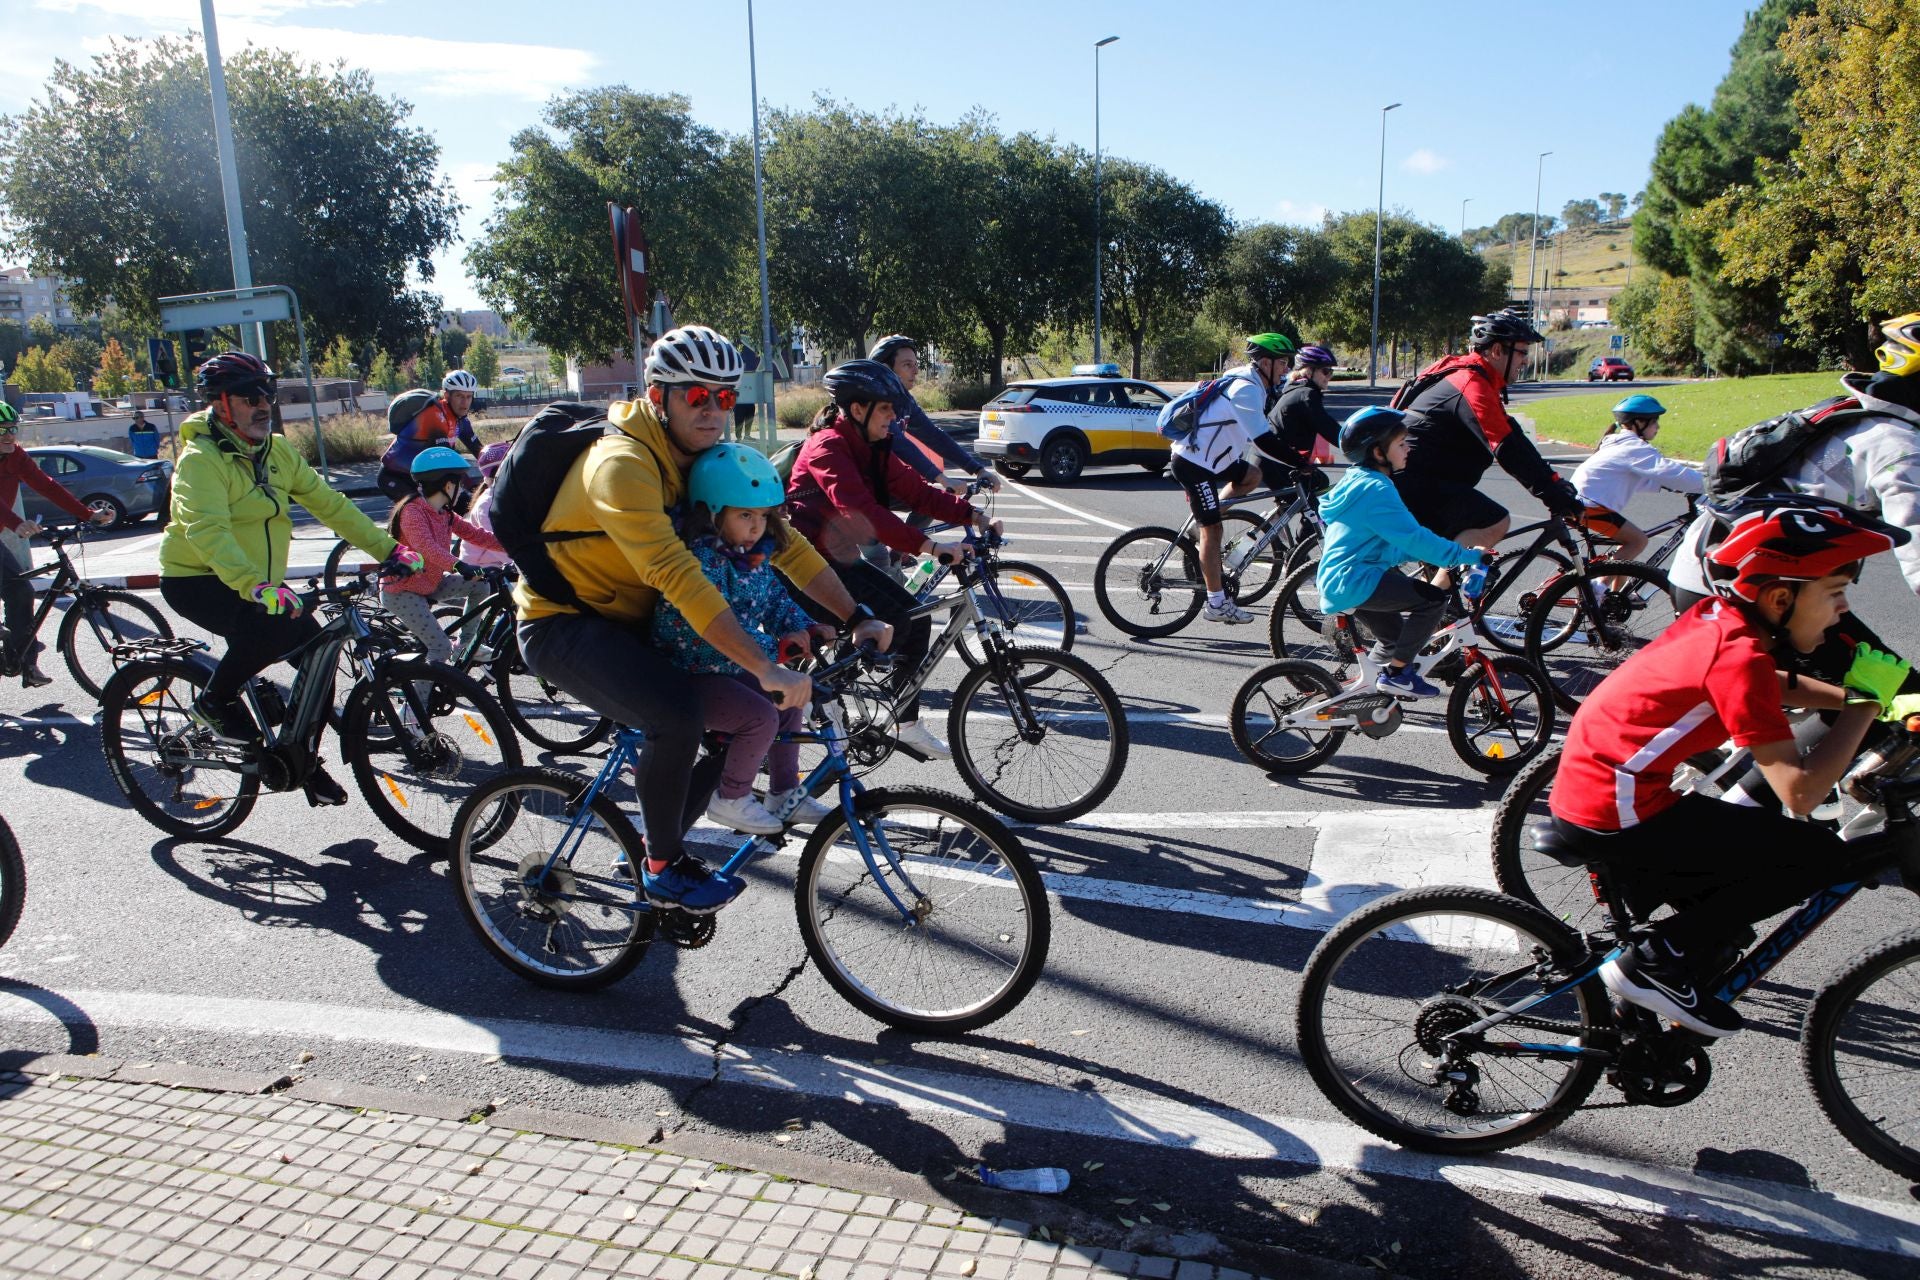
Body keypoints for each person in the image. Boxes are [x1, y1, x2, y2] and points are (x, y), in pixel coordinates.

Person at [512, 324, 892, 916]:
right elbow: (676, 574)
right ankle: (662, 867)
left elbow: (782, 541)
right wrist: (764, 663)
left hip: (642, 623)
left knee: (746, 721)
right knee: (676, 714)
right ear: (657, 393)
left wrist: (856, 614)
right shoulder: (622, 463)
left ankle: (641, 849)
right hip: (566, 623)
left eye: (724, 396)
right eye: (697, 396)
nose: (714, 411)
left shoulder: (697, 456)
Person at [1549, 497, 1914, 1038]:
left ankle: (1642, 1007)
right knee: (1817, 856)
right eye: (1835, 594)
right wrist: (1863, 706)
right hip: (1617, 806)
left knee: (1727, 915)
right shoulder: (1739, 655)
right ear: (1780, 597)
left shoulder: (1724, 624)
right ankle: (1655, 955)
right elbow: (1800, 795)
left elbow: (1771, 686)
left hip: (1605, 788)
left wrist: (1860, 696)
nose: (1842, 611)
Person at [158, 351, 422, 806]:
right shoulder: (200, 461)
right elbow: (208, 531)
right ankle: (214, 702)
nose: (264, 405)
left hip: (257, 583)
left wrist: (388, 549)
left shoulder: (276, 452)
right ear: (221, 405)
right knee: (265, 627)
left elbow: (330, 505)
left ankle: (301, 759)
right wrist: (254, 585)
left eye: (268, 395)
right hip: (198, 577)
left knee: (319, 662)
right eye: (249, 397)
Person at [1669, 313, 1920, 689]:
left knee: (1864, 698)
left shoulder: (1854, 417)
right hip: (1753, 597)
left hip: (1710, 574)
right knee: (1894, 696)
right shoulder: (1901, 447)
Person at [786, 359, 996, 761]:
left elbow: (917, 492)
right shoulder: (826, 447)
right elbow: (859, 510)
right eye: (885, 409)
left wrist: (973, 515)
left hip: (839, 560)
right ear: (857, 409)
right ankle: (830, 698)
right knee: (886, 618)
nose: (894, 419)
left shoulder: (873, 448)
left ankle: (903, 721)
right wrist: (930, 547)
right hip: (804, 567)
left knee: (913, 617)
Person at [652, 443, 838, 835]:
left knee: (790, 703)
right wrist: (774, 652)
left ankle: (784, 792)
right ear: (713, 514)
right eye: (745, 515)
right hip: (688, 674)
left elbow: (772, 601)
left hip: (726, 669)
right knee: (760, 716)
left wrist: (807, 625)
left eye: (763, 516)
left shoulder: (748, 556)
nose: (757, 526)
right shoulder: (702, 561)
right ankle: (731, 798)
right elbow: (712, 635)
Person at [1315, 407, 1490, 698]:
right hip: (1357, 580)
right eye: (1401, 444)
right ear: (1378, 452)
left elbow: (1388, 544)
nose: (1408, 448)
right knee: (1433, 601)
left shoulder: (1359, 481)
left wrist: (1415, 553)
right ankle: (1397, 675)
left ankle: (1364, 694)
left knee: (1395, 641)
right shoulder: (1376, 489)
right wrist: (1466, 556)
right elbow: (1414, 538)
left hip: (1349, 576)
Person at [1394, 309, 1585, 554]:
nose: (1525, 361)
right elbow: (1508, 448)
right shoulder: (1471, 386)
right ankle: (1437, 592)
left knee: (1459, 543)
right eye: (1522, 353)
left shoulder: (1472, 378)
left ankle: (1439, 581)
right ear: (1497, 351)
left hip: (1421, 480)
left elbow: (1514, 436)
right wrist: (1553, 495)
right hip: (1416, 483)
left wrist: (1552, 483)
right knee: (1495, 522)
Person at [1167, 333, 1301, 624]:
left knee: (1252, 475)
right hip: (1193, 462)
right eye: (1283, 362)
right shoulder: (1246, 389)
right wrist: (1300, 462)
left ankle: (1198, 524)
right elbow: (1263, 440)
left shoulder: (1254, 382)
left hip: (1214, 458)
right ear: (1265, 362)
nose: (1287, 369)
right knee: (1213, 531)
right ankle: (1215, 603)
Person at [0, 399, 114, 686]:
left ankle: (25, 665)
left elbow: (46, 485)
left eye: (12, 428)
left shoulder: (15, 456)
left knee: (21, 591)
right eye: (1, 430)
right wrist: (17, 522)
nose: (9, 435)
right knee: (16, 589)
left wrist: (88, 514)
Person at [381, 446, 505, 670]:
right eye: (459, 482)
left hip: (430, 583)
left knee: (481, 586)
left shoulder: (444, 513)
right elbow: (426, 547)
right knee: (439, 649)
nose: (461, 488)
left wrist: (515, 545)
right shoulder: (413, 511)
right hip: (403, 592)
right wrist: (459, 565)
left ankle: (467, 644)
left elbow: (474, 534)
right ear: (448, 485)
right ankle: (413, 705)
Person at [1569, 394, 1703, 563]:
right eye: (1654, 421)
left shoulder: (1618, 443)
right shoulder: (1633, 448)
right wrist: (1711, 483)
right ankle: (1598, 588)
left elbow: (1637, 478)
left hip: (1580, 502)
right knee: (1638, 541)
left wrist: (1669, 486)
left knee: (1626, 547)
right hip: (1589, 506)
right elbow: (1669, 471)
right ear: (1639, 423)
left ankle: (1615, 590)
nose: (1658, 426)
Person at [867, 335, 998, 492]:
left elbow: (934, 436)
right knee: (926, 499)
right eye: (907, 365)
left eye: (916, 364)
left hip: (879, 480)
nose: (916, 371)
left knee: (929, 501)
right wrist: (941, 478)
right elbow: (899, 443)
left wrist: (978, 469)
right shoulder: (873, 403)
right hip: (858, 485)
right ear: (885, 370)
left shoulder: (904, 401)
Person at [378, 369, 483, 503]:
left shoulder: (461, 420)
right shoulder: (434, 415)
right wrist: (474, 489)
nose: (465, 403)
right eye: (459, 396)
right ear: (447, 395)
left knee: (445, 512)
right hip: (395, 476)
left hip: (418, 476)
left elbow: (479, 450)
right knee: (425, 514)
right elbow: (449, 462)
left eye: (468, 397)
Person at [1265, 344, 1342, 492]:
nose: (1329, 377)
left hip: (1276, 458)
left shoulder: (1297, 389)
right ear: (1308, 371)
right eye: (1325, 371)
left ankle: (1280, 514)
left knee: (1320, 482)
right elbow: (1327, 426)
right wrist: (1356, 445)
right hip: (1276, 461)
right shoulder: (1306, 394)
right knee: (1312, 509)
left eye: (1331, 372)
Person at [461, 441, 514, 573]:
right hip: (480, 570)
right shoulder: (486, 506)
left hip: (503, 562)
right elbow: (498, 546)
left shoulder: (514, 495)